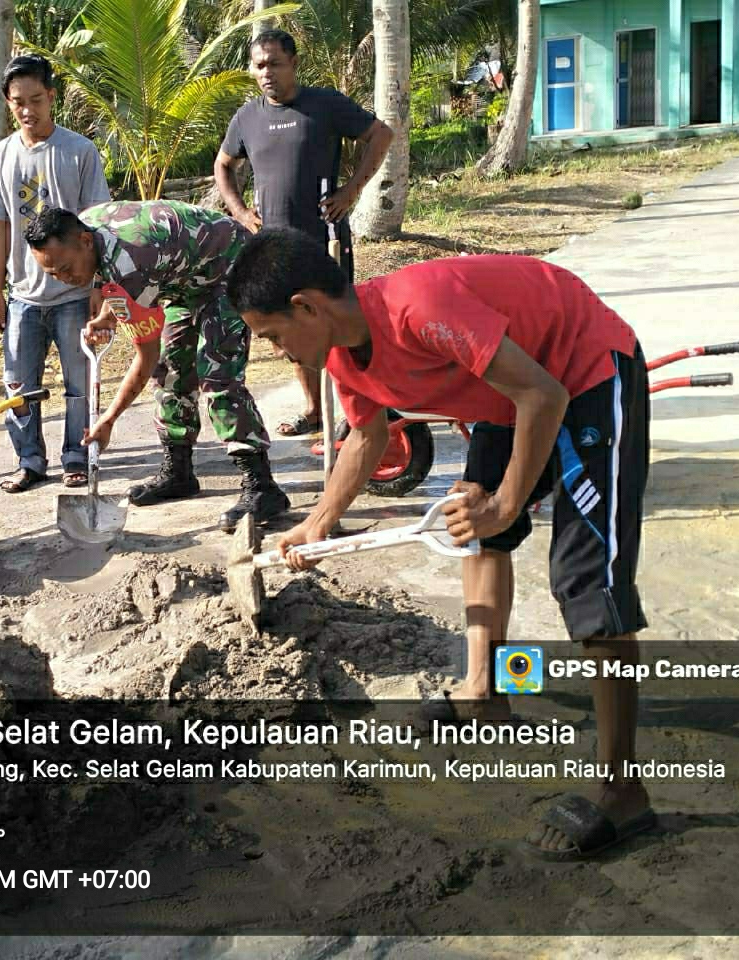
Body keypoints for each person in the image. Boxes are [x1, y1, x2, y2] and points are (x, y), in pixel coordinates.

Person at [227, 228, 655, 861]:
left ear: (309, 305)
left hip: (583, 368)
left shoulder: (417, 308)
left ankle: (623, 791)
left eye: (273, 335)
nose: (277, 350)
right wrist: (316, 523)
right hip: (511, 394)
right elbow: (367, 438)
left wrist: (506, 501)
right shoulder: (342, 353)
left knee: (587, 578)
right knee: (474, 527)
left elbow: (544, 392)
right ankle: (484, 690)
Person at [25, 202, 289, 532]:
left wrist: (108, 420)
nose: (65, 280)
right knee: (171, 368)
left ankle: (262, 486)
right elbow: (114, 281)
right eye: (53, 275)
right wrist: (110, 313)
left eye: (66, 269)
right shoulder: (86, 226)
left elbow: (144, 357)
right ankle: (178, 471)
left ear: (84, 242)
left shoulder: (132, 264)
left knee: (217, 374)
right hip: (184, 280)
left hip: (229, 267)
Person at [215, 28, 393, 439]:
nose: (267, 74)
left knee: (341, 325)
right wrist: (240, 212)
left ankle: (359, 411)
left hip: (322, 237)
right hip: (273, 245)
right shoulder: (247, 117)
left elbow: (381, 134)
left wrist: (352, 190)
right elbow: (223, 165)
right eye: (259, 66)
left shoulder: (324, 104)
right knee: (288, 328)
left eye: (275, 64)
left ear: (294, 64)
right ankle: (314, 410)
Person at [0, 54, 111, 493]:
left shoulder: (78, 151)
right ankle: (29, 460)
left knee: (79, 382)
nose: (27, 110)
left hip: (74, 294)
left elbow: (97, 222)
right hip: (22, 293)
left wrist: (99, 288)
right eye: (18, 102)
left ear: (51, 97)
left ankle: (76, 456)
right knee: (19, 384)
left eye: (36, 100)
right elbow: (0, 225)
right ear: (7, 103)